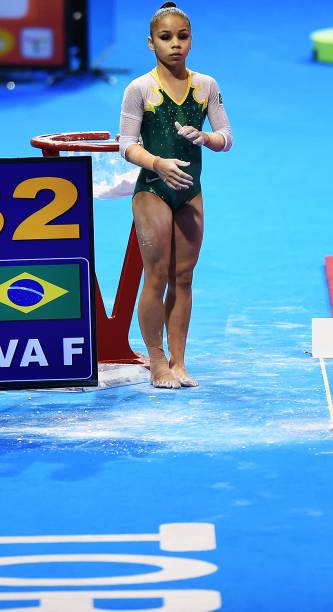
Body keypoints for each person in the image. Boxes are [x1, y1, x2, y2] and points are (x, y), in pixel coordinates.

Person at [119, 2, 232, 388]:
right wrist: (157, 163)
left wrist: (205, 138)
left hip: (191, 191)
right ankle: (156, 361)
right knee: (157, 275)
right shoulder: (140, 88)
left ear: (191, 41)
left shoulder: (206, 86)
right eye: (166, 38)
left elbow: (226, 138)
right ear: (151, 43)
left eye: (182, 37)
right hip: (153, 190)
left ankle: (179, 361)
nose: (175, 44)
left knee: (183, 277)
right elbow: (126, 145)